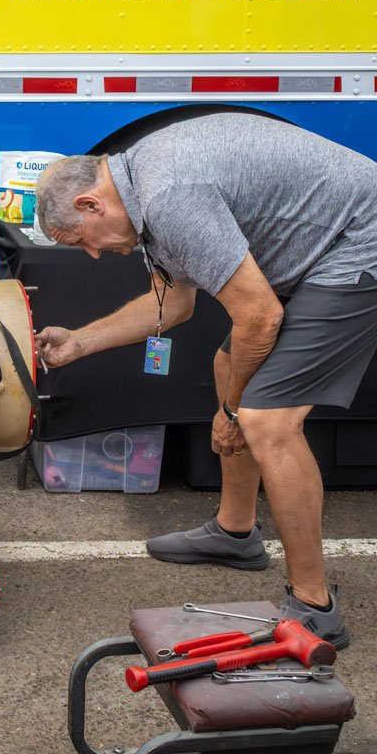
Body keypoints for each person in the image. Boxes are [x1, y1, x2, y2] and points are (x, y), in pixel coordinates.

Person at [33, 110, 377, 650]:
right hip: (325, 247)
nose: (93, 254)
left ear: (90, 203)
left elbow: (259, 317)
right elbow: (174, 305)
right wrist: (79, 342)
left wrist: (232, 412)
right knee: (227, 366)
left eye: (81, 241)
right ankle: (236, 533)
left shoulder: (169, 196)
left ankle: (315, 606)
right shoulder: (141, 188)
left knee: (267, 421)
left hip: (360, 244)